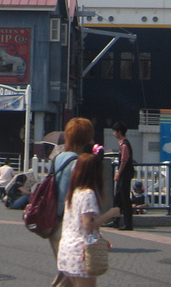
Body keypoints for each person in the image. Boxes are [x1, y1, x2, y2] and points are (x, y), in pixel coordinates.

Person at [48, 117, 102, 287]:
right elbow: (81, 199)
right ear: (86, 138)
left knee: (66, 276)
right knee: (72, 278)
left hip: (53, 221)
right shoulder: (79, 163)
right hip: (70, 227)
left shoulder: (58, 158)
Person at [57, 150, 122, 286]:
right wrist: (110, 214)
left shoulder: (74, 192)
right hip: (81, 252)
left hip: (67, 249)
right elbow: (87, 225)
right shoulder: (88, 194)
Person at [110, 121, 135, 231]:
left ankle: (128, 224)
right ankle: (116, 220)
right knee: (118, 197)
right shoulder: (123, 144)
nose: (114, 134)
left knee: (125, 198)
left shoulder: (124, 145)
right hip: (125, 173)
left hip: (125, 174)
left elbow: (124, 160)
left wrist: (118, 173)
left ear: (119, 132)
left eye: (115, 131)